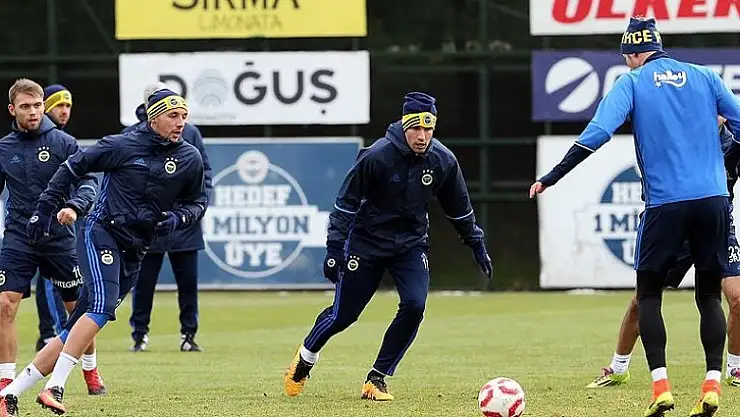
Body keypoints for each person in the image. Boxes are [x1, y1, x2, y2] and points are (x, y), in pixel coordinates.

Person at [529, 17, 740, 417]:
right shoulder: (705, 77)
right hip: (714, 201)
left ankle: (661, 388)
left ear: (630, 54)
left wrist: (552, 176)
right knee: (710, 297)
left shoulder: (633, 82)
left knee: (648, 297)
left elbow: (597, 133)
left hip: (665, 204)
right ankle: (712, 385)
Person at [0, 88, 206, 417]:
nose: (180, 122)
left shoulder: (189, 157)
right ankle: (55, 386)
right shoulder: (121, 145)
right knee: (102, 306)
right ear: (154, 118)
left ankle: (10, 393)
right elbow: (73, 168)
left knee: (73, 327)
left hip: (137, 248)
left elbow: (197, 202)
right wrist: (46, 208)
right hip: (102, 234)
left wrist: (179, 218)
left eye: (184, 116)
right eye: (173, 116)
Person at [283, 92, 493, 401]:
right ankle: (305, 358)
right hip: (366, 244)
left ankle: (377, 378)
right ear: (404, 125)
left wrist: (476, 243)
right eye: (416, 129)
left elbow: (459, 208)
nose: (422, 136)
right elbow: (346, 204)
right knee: (344, 315)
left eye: (428, 129)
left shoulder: (443, 160)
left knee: (415, 305)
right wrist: (334, 249)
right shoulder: (376, 156)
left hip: (410, 246)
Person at [587, 120, 740, 390]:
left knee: (737, 298)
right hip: (675, 229)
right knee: (642, 300)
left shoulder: (732, 143)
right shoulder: (677, 138)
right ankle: (618, 367)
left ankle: (735, 368)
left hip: (716, 227)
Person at [0, 79, 97, 394]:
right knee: (4, 304)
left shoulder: (64, 143)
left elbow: (88, 182)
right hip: (19, 236)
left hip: (59, 237)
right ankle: (5, 381)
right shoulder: (4, 148)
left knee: (78, 311)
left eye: (37, 105)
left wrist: (74, 206)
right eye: (25, 106)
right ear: (12, 110)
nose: (33, 111)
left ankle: (90, 368)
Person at [124, 83, 213, 353]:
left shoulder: (191, 133)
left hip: (184, 224)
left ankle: (189, 334)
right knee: (143, 284)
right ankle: (139, 335)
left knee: (188, 284)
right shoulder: (131, 135)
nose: (178, 122)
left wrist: (196, 207)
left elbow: (205, 174)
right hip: (147, 225)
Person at [32, 84, 74, 353]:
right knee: (50, 281)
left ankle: (48, 332)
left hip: (60, 223)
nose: (64, 110)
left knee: (50, 281)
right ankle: (53, 334)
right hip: (40, 224)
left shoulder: (65, 141)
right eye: (59, 105)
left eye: (68, 105)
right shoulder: (36, 141)